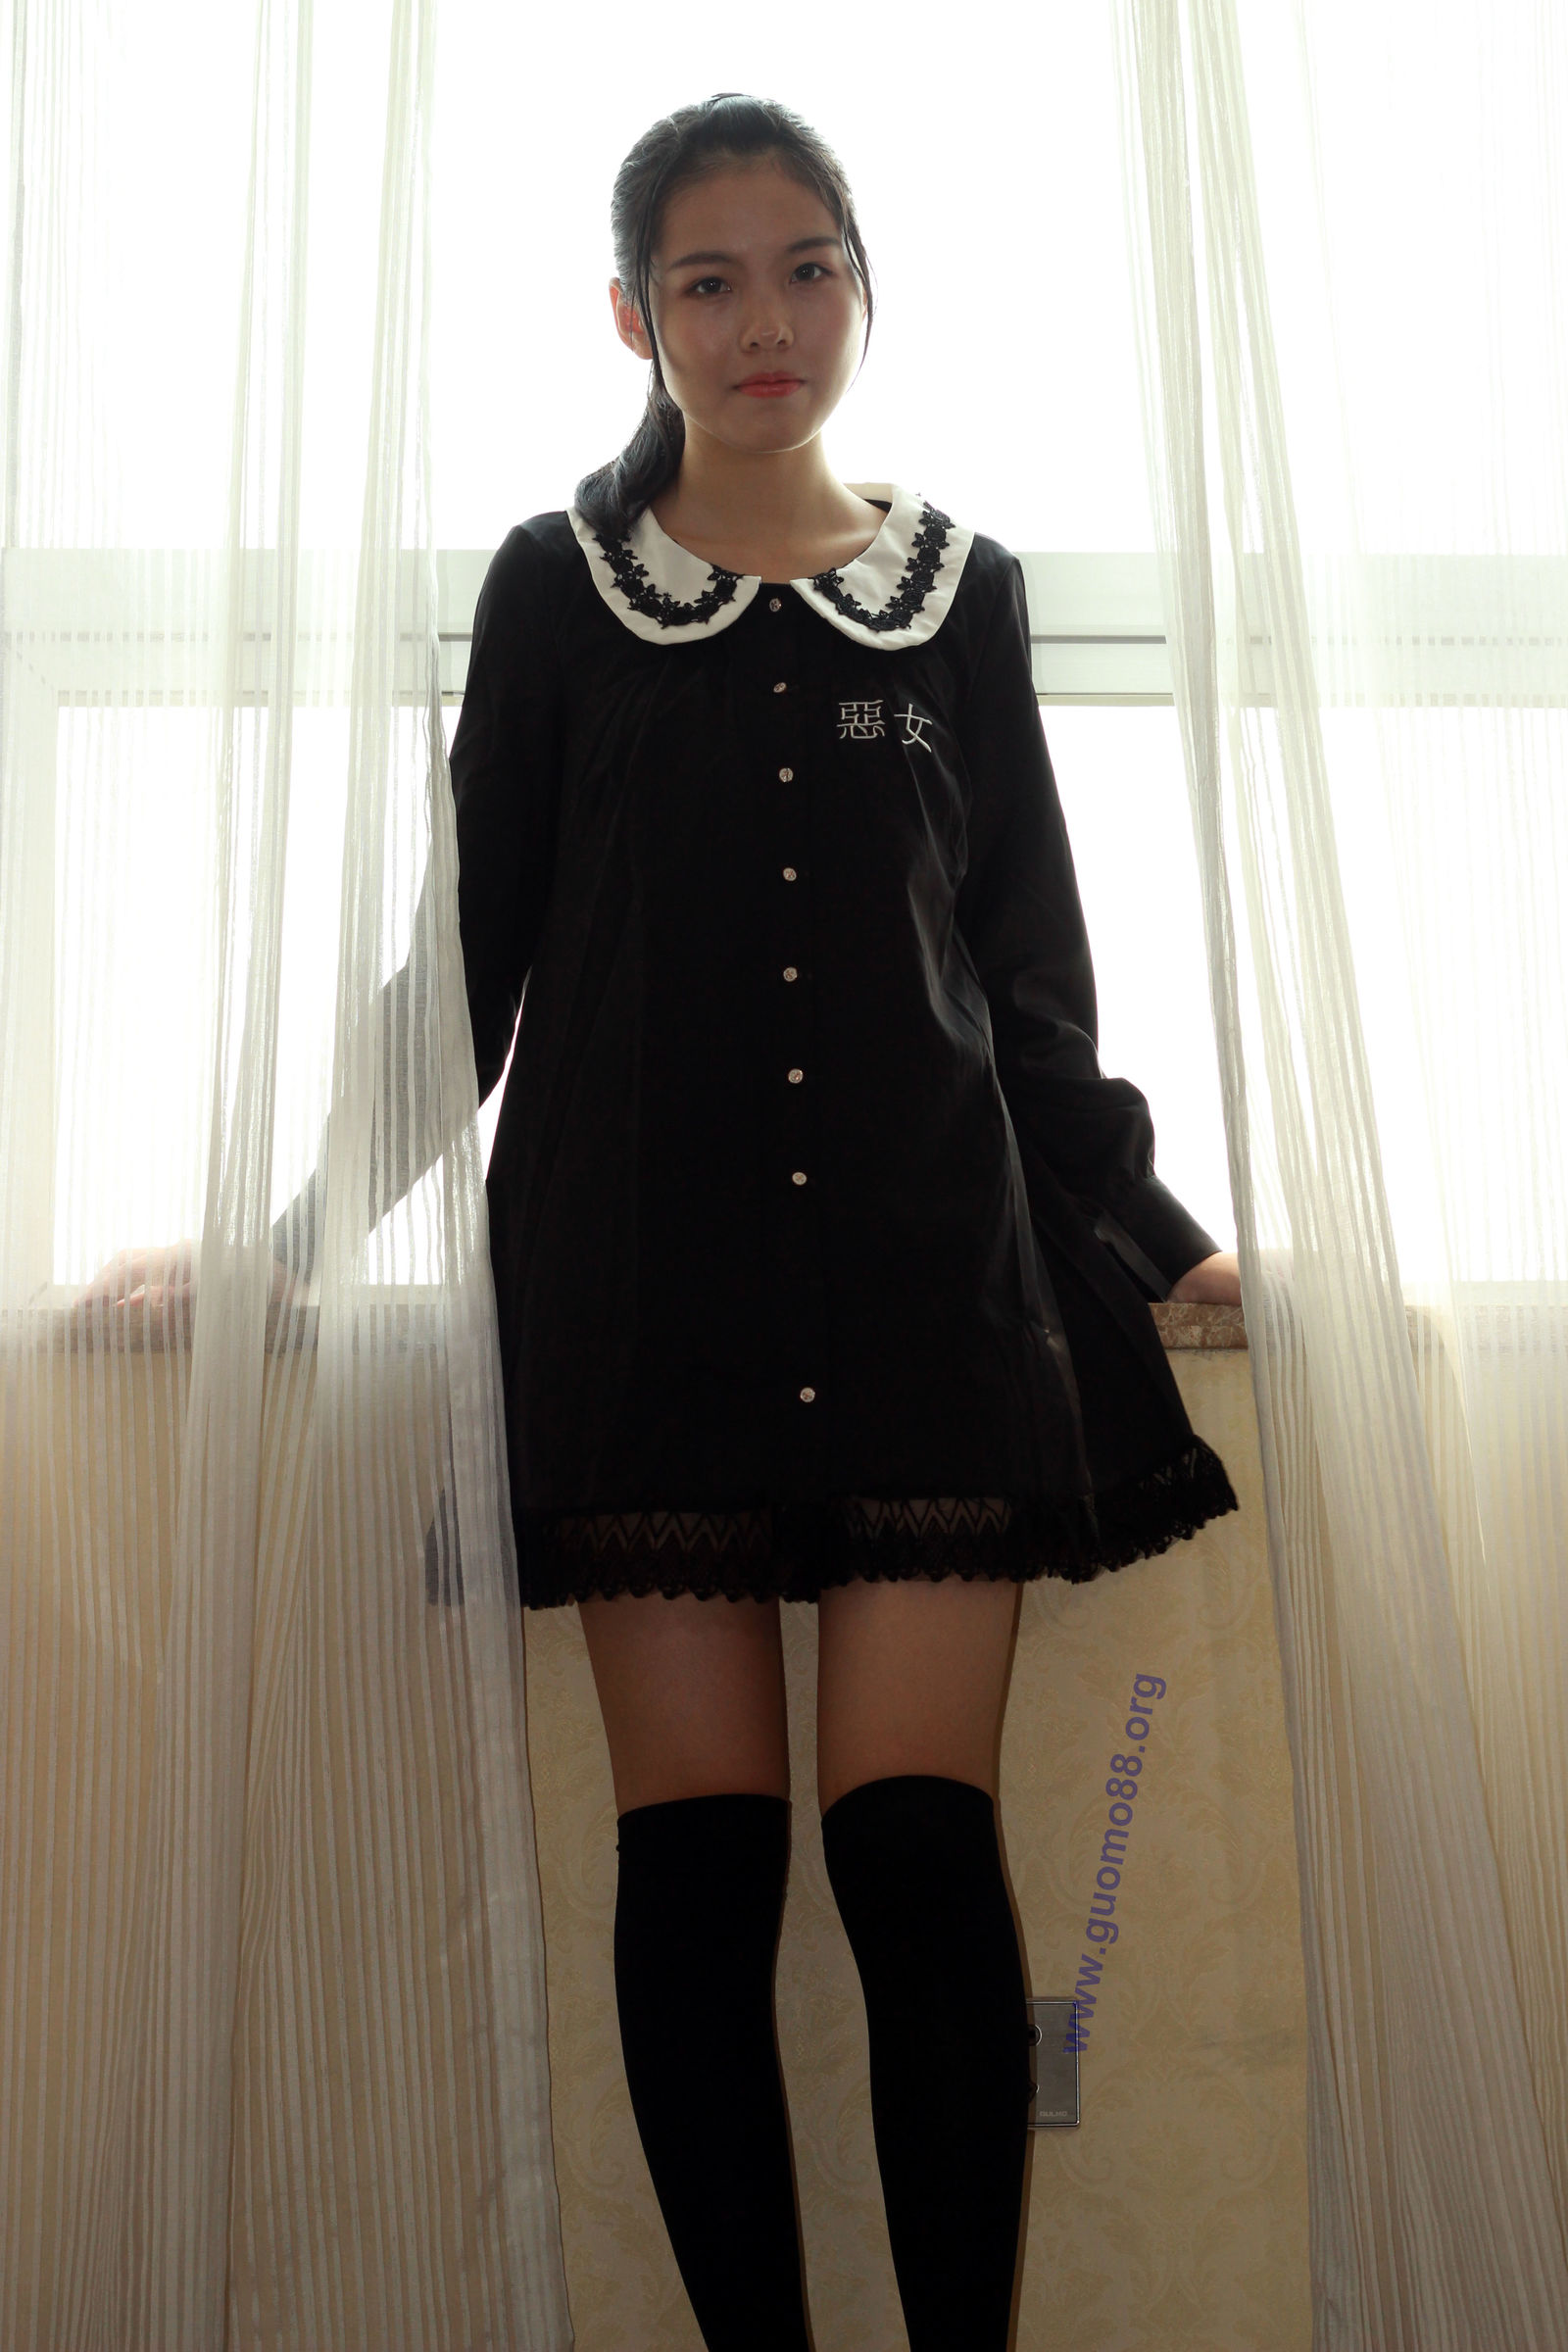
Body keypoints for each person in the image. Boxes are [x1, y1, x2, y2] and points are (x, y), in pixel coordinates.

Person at [94, 90, 1243, 2352]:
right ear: (633, 316)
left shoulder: (961, 594)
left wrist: (1161, 1237)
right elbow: (464, 970)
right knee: (700, 1868)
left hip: (930, 1298)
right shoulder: (558, 591)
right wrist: (284, 1243)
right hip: (640, 1307)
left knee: (911, 1849)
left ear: (862, 290)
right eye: (706, 282)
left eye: (805, 268)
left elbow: (1024, 981)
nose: (761, 320)